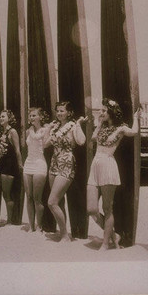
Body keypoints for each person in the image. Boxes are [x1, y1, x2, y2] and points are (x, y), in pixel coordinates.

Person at [86, 98, 140, 251]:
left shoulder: (121, 128)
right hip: (95, 165)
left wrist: (136, 118)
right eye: (101, 110)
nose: (101, 112)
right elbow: (93, 138)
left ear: (111, 112)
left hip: (108, 165)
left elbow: (134, 132)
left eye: (103, 110)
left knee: (107, 208)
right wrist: (99, 122)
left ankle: (105, 243)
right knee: (91, 209)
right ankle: (113, 236)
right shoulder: (101, 127)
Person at [43, 101, 87, 242]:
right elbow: (45, 144)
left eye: (62, 111)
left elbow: (81, 141)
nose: (59, 113)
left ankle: (64, 236)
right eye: (58, 111)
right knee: (59, 202)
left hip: (67, 163)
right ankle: (64, 232)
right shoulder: (55, 127)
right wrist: (49, 128)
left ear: (69, 112)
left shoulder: (72, 126)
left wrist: (78, 125)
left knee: (52, 202)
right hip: (54, 164)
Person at [0, 109, 23, 227]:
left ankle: (9, 220)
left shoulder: (12, 131)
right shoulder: (0, 132)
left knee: (6, 194)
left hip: (10, 164)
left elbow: (17, 150)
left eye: (3, 116)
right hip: (1, 163)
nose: (1, 118)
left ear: (9, 118)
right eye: (0, 117)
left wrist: (20, 165)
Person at [23, 107, 50, 234]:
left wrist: (47, 130)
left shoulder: (45, 129)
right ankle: (31, 225)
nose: (31, 118)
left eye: (34, 115)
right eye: (30, 116)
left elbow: (45, 144)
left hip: (40, 163)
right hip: (28, 163)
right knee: (28, 196)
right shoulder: (29, 131)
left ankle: (39, 226)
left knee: (37, 197)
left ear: (40, 117)